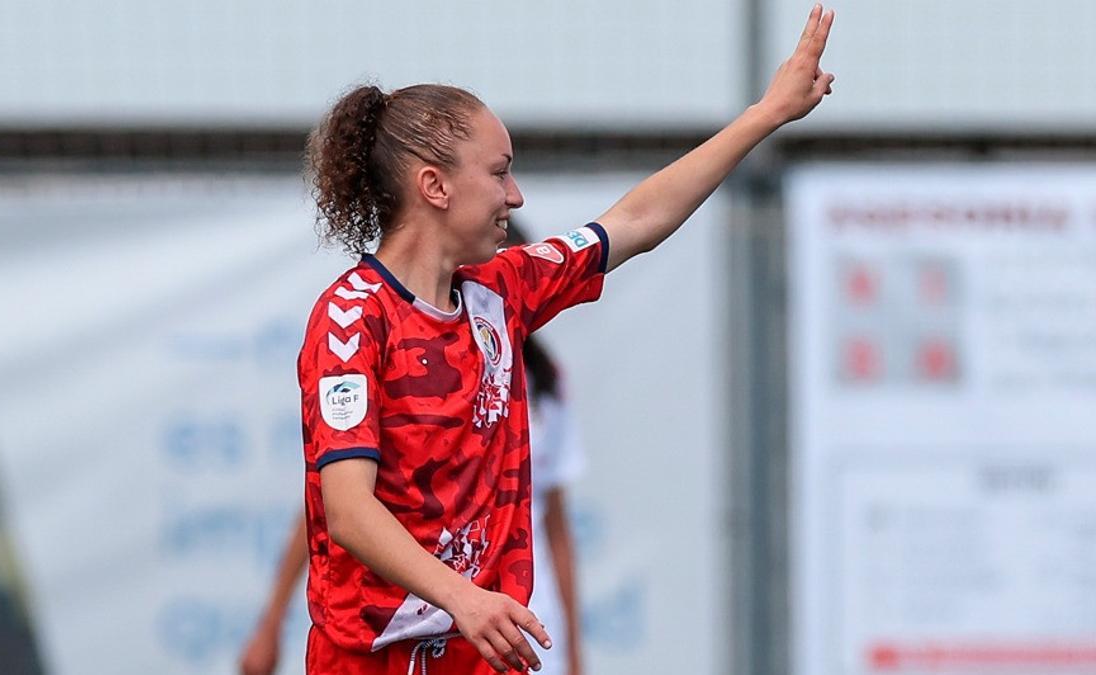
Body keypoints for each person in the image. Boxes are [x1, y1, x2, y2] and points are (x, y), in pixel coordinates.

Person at [296, 7, 834, 674]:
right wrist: (462, 596)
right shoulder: (351, 319)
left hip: (481, 652)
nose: (515, 196)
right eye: (498, 172)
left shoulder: (503, 289)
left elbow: (635, 219)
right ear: (433, 186)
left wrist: (766, 114)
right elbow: (348, 508)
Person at [240, 224, 589, 674]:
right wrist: (273, 617)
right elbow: (338, 510)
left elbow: (556, 523)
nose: (512, 195)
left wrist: (575, 646)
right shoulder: (380, 338)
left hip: (522, 627)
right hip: (433, 625)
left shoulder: (543, 384)